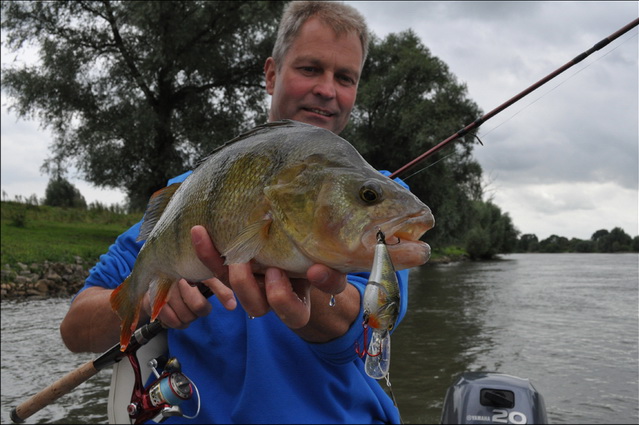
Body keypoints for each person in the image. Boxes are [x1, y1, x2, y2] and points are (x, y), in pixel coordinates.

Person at [60, 2, 412, 423]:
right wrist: (154, 295)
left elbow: (367, 325)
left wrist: (310, 297)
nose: (327, 89)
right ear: (271, 74)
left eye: (345, 77)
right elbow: (75, 328)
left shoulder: (384, 198)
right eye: (309, 68)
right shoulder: (193, 193)